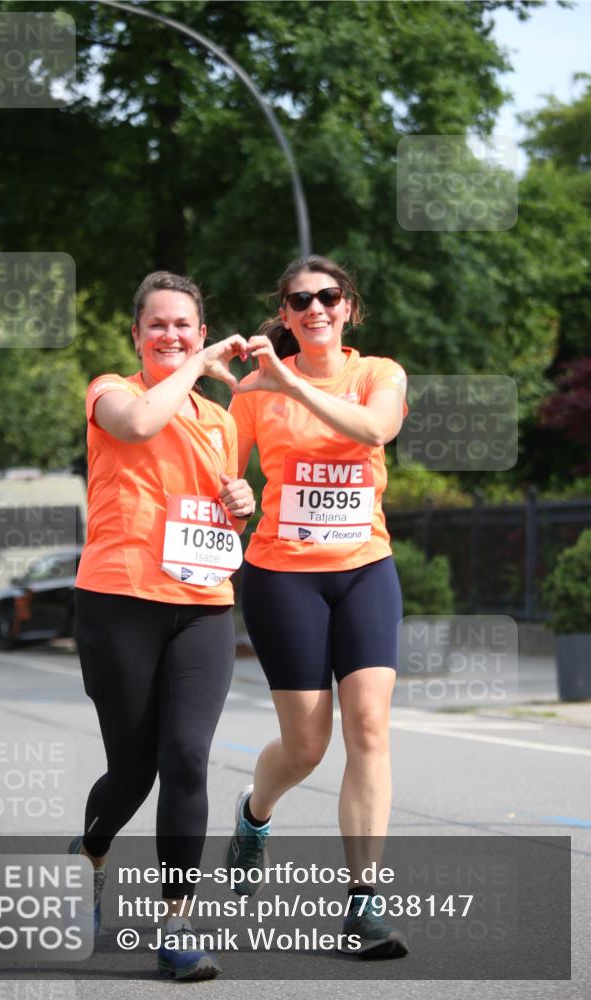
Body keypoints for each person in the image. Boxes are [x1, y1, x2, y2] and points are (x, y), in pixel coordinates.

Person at [71, 271, 255, 982]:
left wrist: (240, 500)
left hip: (203, 605)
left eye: (185, 325)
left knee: (185, 759)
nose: (172, 336)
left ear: (201, 331)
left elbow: (213, 508)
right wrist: (200, 371)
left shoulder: (220, 420)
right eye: (158, 325)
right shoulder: (108, 391)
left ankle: (176, 926)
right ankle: (88, 854)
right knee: (133, 770)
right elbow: (142, 426)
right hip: (120, 602)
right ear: (136, 336)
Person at [225, 255, 409, 958]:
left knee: (368, 729)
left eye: (328, 297)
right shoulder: (251, 392)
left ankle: (362, 903)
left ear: (348, 308)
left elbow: (373, 431)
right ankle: (254, 813)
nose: (315, 309)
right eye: (299, 300)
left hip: (364, 569)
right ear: (285, 312)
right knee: (306, 746)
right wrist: (231, 495)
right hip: (282, 576)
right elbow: (222, 473)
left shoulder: (377, 374)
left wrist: (291, 384)